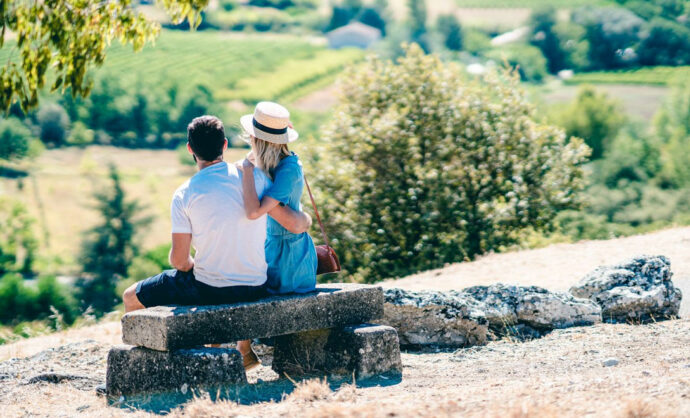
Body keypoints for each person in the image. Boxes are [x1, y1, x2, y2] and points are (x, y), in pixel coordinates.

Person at [122, 115, 312, 369]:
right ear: (224, 145)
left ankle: (139, 367)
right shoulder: (256, 179)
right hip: (256, 284)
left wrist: (195, 266)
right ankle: (242, 352)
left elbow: (179, 261)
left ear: (190, 149)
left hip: (211, 288)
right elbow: (283, 220)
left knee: (131, 296)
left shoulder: (184, 193)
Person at [237, 101, 318, 295]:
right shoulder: (272, 163)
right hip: (273, 247)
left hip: (289, 254)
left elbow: (254, 211)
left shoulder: (288, 168)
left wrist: (247, 172)